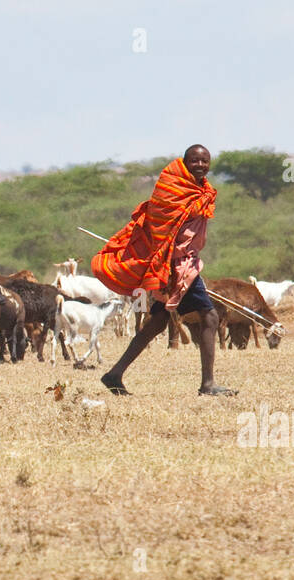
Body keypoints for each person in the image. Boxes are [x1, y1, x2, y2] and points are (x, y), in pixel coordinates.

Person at [92, 145, 236, 396]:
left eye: (205, 161)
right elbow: (160, 229)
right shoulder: (170, 187)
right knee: (210, 317)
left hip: (185, 263)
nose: (200, 165)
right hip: (174, 266)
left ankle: (114, 374)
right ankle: (208, 384)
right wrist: (165, 267)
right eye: (195, 161)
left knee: (156, 322)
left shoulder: (202, 190)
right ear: (184, 162)